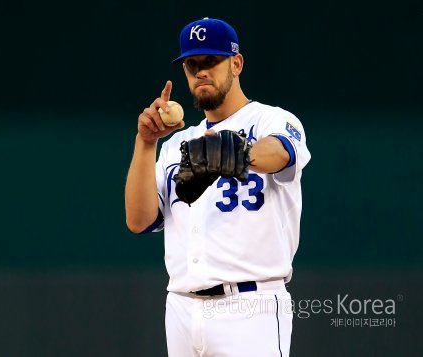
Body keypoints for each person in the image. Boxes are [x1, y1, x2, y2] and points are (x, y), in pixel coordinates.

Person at [125, 17, 311, 356]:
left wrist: (239, 153)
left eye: (211, 61)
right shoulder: (176, 144)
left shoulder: (271, 120)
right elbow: (139, 220)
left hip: (251, 308)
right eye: (192, 64)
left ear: (236, 64)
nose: (201, 71)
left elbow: (282, 151)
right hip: (182, 307)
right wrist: (145, 142)